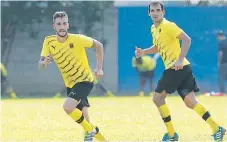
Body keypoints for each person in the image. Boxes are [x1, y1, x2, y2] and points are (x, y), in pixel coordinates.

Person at [135, 2, 226, 141]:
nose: (155, 13)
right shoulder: (154, 28)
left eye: (158, 10)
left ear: (163, 12)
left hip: (176, 67)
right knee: (190, 102)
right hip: (183, 68)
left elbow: (187, 39)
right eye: (152, 10)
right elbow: (158, 46)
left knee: (157, 98)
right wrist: (144, 52)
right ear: (148, 13)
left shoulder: (168, 25)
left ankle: (172, 135)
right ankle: (216, 128)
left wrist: (179, 59)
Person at [39, 11, 106, 141]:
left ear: (68, 25)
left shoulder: (77, 39)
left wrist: (99, 68)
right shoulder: (48, 41)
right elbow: (41, 64)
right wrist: (43, 63)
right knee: (85, 119)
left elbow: (99, 45)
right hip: (70, 84)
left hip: (85, 80)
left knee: (67, 107)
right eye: (59, 24)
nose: (62, 26)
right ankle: (101, 138)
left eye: (64, 23)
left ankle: (89, 131)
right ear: (54, 26)